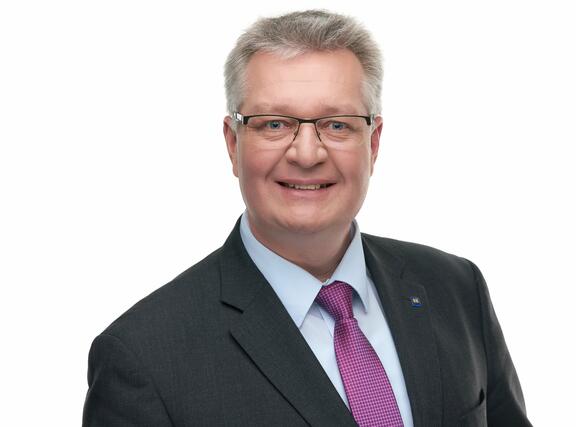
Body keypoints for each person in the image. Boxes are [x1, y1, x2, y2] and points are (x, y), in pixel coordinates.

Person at [83, 9, 532, 427]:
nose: (306, 153)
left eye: (337, 125)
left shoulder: (456, 290)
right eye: (274, 124)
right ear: (233, 144)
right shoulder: (143, 358)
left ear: (373, 143)